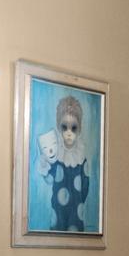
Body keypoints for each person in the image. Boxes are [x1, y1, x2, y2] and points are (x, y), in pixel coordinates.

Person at [36, 93, 92, 232]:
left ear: (79, 128)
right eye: (64, 127)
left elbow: (85, 186)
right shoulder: (57, 155)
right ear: (58, 127)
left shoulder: (81, 156)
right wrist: (44, 166)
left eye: (73, 128)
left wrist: (78, 203)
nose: (68, 133)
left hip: (76, 211)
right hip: (58, 211)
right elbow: (49, 179)